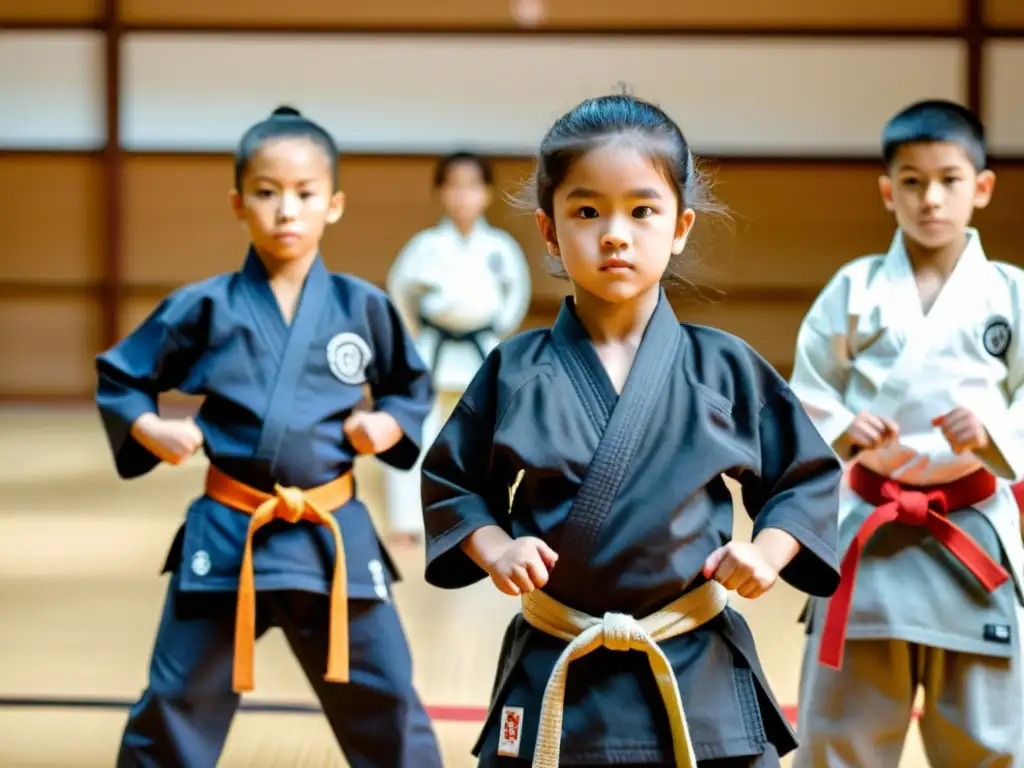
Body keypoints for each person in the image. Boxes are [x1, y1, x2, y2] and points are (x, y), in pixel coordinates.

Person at [419, 93, 843, 767]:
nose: (615, 233)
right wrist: (497, 548)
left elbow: (804, 477)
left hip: (693, 660)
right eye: (587, 211)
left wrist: (768, 552)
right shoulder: (517, 370)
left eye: (642, 210)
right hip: (562, 659)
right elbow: (453, 480)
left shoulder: (723, 367)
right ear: (549, 231)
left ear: (680, 226)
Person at [96, 106, 444, 768]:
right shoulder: (205, 306)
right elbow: (122, 376)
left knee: (389, 701)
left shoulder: (362, 305)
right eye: (266, 192)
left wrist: (388, 422)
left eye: (305, 193)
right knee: (175, 704)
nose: (287, 209)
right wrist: (149, 428)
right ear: (238, 202)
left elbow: (410, 385)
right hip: (230, 532)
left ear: (333, 204)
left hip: (331, 532)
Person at [789, 99, 1024, 767]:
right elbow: (806, 387)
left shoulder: (1010, 293)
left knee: (986, 736)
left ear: (980, 188)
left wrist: (995, 429)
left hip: (971, 524)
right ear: (889, 191)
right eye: (913, 182)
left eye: (949, 179)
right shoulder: (854, 288)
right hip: (872, 524)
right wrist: (842, 421)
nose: (931, 198)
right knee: (845, 731)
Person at [384, 151, 532, 544]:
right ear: (441, 193)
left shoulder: (500, 247)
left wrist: (495, 333)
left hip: (480, 349)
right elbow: (400, 293)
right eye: (454, 186)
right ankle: (408, 524)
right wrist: (415, 334)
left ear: (486, 193)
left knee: (482, 439)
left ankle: (478, 519)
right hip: (432, 348)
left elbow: (516, 297)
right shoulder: (425, 246)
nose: (463, 196)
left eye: (472, 186)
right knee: (416, 433)